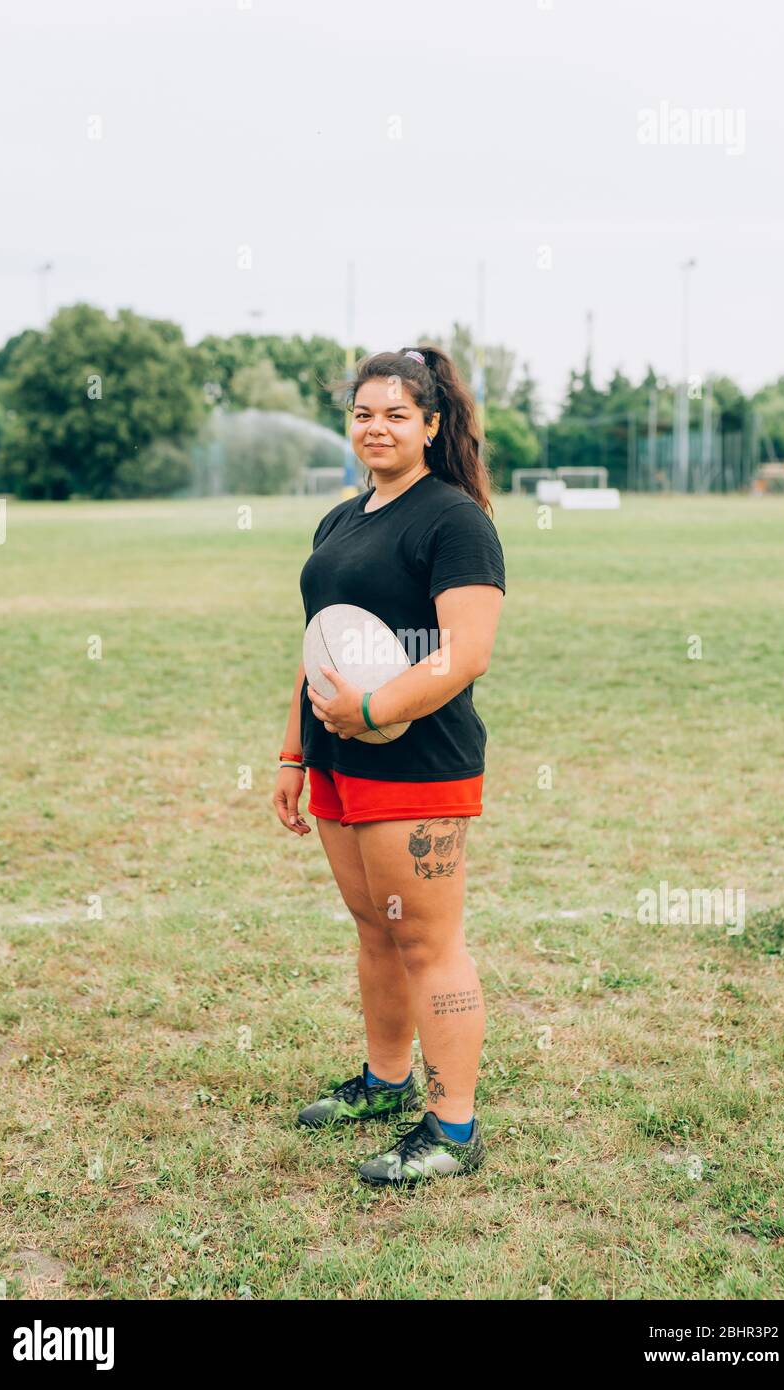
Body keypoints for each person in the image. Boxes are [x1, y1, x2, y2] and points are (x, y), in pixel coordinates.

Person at [273, 345, 505, 1186]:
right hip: (337, 758)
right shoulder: (340, 519)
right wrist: (297, 748)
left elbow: (466, 652)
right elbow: (318, 644)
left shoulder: (455, 520)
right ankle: (386, 1083)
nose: (376, 428)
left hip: (419, 764)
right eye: (363, 413)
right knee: (376, 931)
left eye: (397, 414)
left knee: (429, 942)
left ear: (432, 426)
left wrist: (372, 711)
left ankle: (452, 1130)